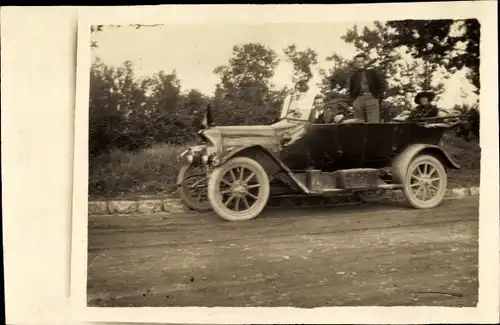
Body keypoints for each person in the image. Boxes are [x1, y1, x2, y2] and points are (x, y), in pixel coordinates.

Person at [344, 53, 387, 123]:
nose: (360, 63)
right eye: (358, 62)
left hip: (371, 97)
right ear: (355, 64)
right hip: (358, 99)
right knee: (358, 123)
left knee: (373, 123)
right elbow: (351, 90)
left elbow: (382, 85)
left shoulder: (372, 72)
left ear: (365, 62)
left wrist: (378, 97)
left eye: (362, 61)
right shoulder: (353, 76)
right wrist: (354, 101)